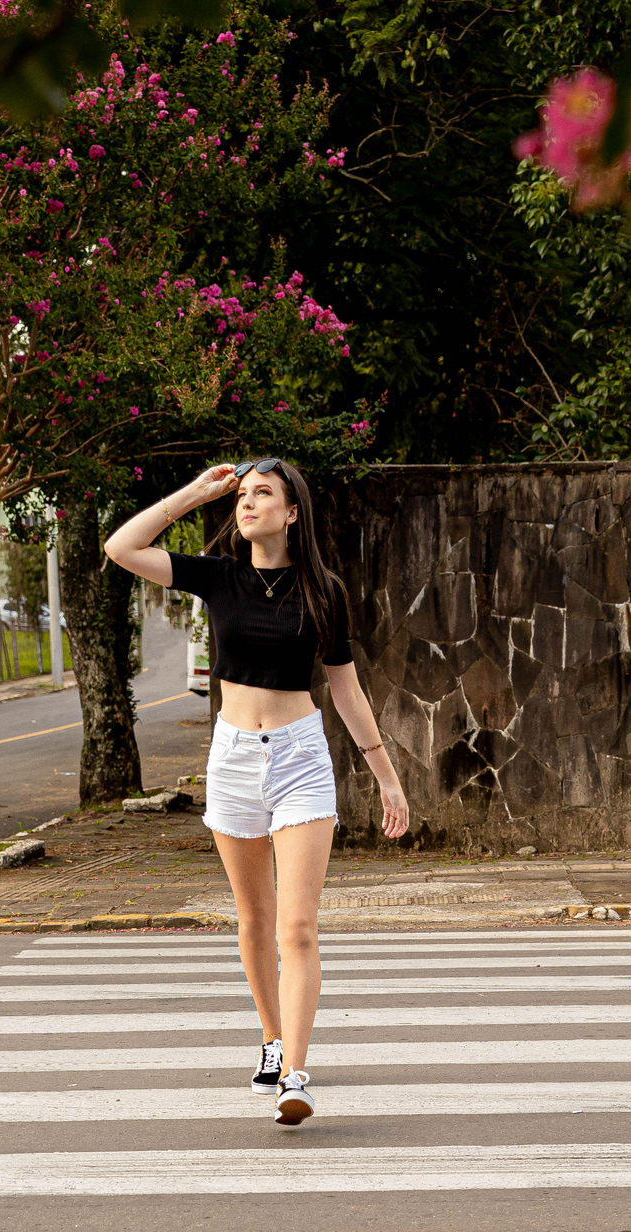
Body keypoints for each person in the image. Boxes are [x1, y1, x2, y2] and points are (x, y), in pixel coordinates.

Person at [104, 457, 409, 1124]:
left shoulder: (324, 590)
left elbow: (346, 688)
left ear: (292, 512)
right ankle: (271, 1039)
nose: (247, 504)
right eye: (241, 496)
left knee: (297, 925)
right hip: (234, 757)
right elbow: (121, 548)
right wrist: (196, 493)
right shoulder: (219, 578)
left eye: (261, 494)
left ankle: (295, 1074)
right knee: (255, 920)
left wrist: (386, 775)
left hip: (301, 756)